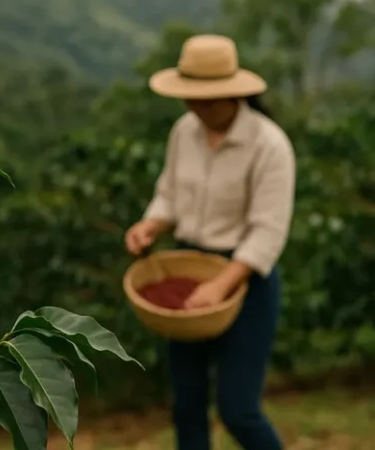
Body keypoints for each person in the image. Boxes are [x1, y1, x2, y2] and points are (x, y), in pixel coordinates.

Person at [124, 34, 295, 450]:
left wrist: (222, 285)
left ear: (233, 94)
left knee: (238, 410)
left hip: (245, 282)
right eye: (191, 99)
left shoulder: (269, 145)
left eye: (208, 100)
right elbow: (170, 194)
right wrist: (151, 225)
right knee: (187, 406)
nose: (197, 108)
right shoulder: (185, 131)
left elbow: (267, 231)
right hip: (187, 273)